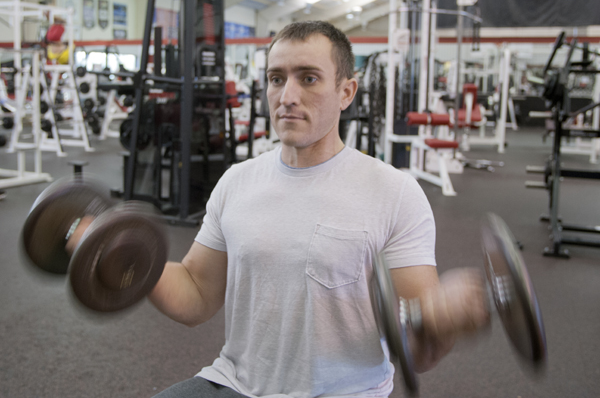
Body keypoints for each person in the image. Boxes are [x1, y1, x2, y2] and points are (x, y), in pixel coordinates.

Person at [67, 21, 489, 397]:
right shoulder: (237, 181)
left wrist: (444, 321)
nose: (287, 96)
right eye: (276, 78)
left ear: (346, 92)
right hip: (234, 383)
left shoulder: (394, 192)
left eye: (308, 78)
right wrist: (121, 250)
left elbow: (419, 350)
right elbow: (196, 294)